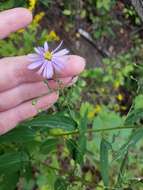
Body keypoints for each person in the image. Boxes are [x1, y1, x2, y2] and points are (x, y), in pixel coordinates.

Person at [0, 8, 85, 135]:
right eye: (47, 54)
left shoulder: (54, 60)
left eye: (48, 54)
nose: (48, 54)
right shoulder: (42, 58)